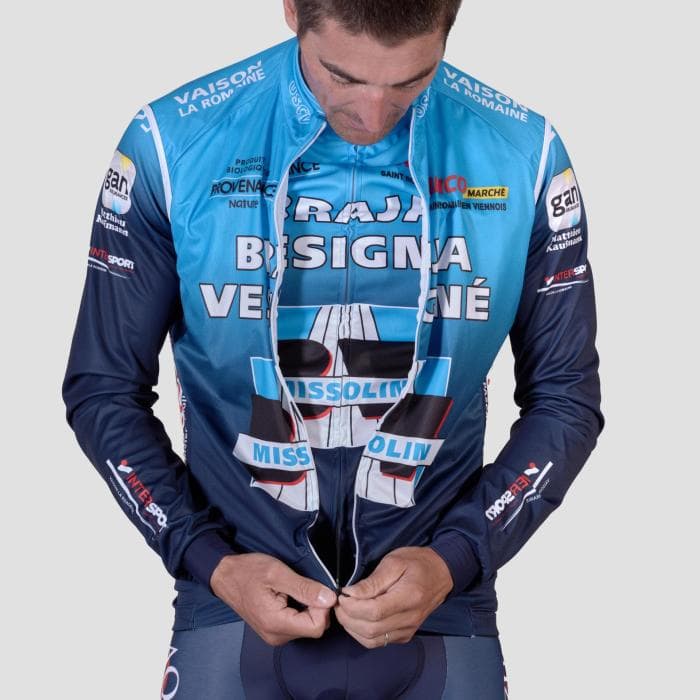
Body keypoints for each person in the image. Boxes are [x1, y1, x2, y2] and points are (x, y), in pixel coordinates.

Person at [62, 0, 604, 696]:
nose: (373, 114)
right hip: (233, 600)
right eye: (342, 76)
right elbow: (103, 389)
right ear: (292, 9)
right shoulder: (170, 142)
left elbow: (567, 399)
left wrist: (457, 558)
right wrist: (209, 561)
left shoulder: (526, 154)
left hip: (440, 605)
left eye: (411, 81)